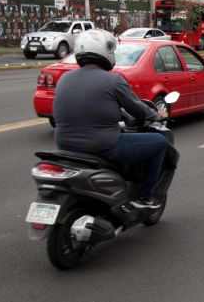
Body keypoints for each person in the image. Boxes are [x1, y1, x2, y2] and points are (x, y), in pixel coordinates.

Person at [52, 29, 168, 209]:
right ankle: (144, 197)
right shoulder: (113, 80)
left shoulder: (64, 79)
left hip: (64, 145)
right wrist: (156, 115)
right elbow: (137, 108)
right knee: (160, 142)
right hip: (102, 146)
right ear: (105, 52)